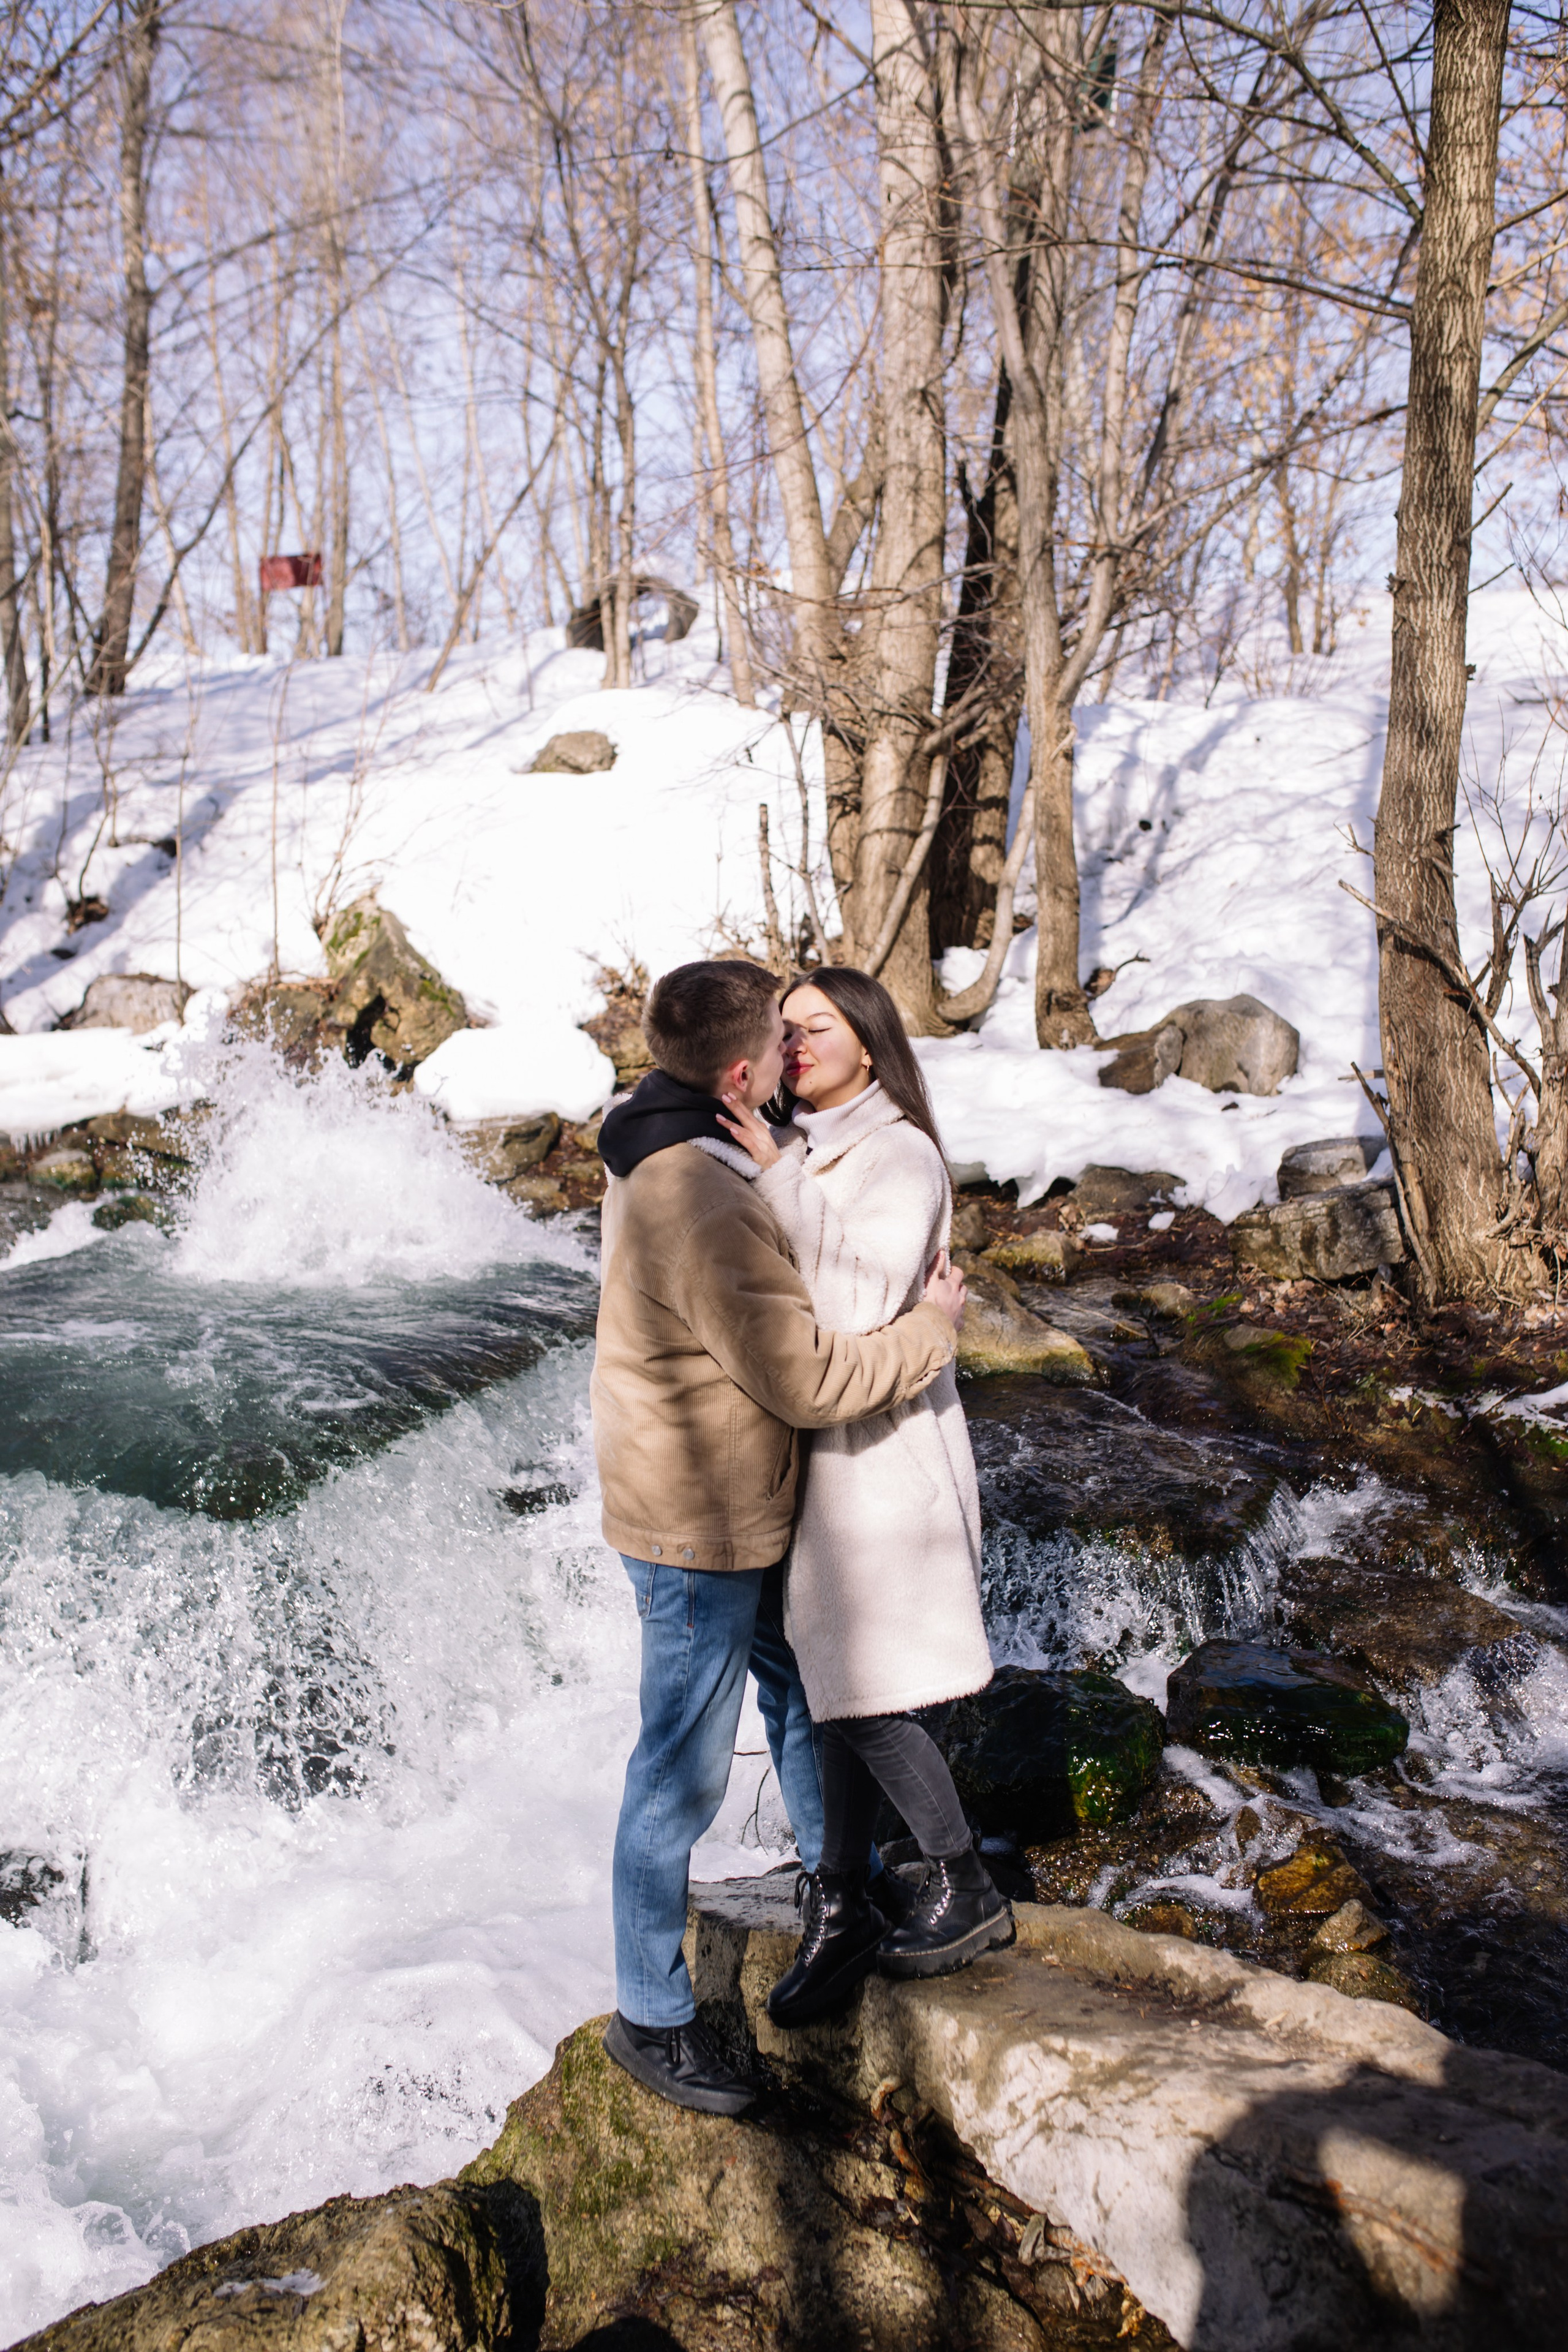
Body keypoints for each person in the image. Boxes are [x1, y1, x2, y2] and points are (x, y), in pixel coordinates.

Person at [591, 958, 967, 2116]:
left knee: (803, 1690)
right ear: (745, 1072)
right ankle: (650, 2016)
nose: (799, 1060)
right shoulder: (699, 1192)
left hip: (724, 1505)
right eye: (785, 1042)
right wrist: (932, 1334)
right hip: (698, 1524)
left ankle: (837, 1890)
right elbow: (806, 1379)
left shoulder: (672, 1137)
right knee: (681, 1770)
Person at [716, 966, 1012, 2027]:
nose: (794, 1043)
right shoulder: (800, 1148)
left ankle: (965, 1884)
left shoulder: (899, 1154)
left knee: (866, 1696)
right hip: (817, 1451)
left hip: (876, 1457)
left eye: (817, 1026)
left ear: (872, 1044)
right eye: (783, 1028)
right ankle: (843, 1897)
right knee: (836, 1691)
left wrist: (780, 1179)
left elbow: (844, 1305)